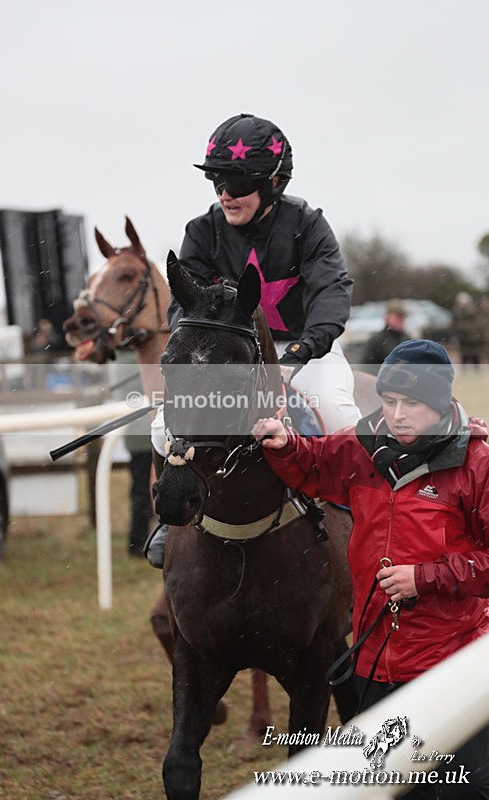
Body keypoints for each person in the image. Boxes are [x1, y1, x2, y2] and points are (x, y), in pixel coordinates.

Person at [252, 339, 489, 798]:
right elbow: (315, 464)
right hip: (375, 659)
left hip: (453, 664)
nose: (397, 414)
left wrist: (424, 578)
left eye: (412, 403)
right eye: (389, 400)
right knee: (389, 787)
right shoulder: (362, 444)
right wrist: (285, 445)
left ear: (441, 403)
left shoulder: (477, 462)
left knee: (463, 789)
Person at [146, 112, 360, 567]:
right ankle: (169, 522)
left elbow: (331, 293)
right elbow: (184, 304)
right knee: (162, 427)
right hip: (229, 353)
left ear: (273, 183)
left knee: (337, 409)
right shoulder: (201, 231)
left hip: (304, 348)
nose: (225, 194)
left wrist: (299, 354)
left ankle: (363, 514)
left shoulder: (308, 225)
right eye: (217, 182)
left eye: (237, 183)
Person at [109, 352, 154, 556]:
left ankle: (138, 540)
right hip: (146, 433)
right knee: (143, 490)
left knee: (140, 489)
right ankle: (139, 541)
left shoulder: (119, 360)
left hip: (136, 434)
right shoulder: (136, 360)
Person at [360, 298, 409, 374]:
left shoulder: (408, 340)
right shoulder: (376, 341)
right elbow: (366, 368)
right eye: (397, 316)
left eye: (403, 317)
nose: (401, 320)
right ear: (387, 317)